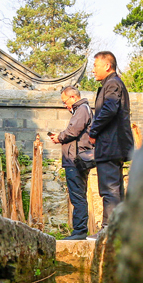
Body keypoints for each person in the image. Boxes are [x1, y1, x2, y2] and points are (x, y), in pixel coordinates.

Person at [88, 51, 135, 226]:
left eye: (95, 65)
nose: (93, 70)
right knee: (113, 189)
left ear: (107, 66)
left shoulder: (113, 84)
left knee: (109, 189)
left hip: (111, 144)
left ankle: (110, 230)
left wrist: (93, 131)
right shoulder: (112, 84)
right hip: (112, 144)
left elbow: (109, 109)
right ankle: (112, 228)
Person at [51, 86, 94, 239]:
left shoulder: (82, 109)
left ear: (73, 97)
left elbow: (73, 131)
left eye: (65, 102)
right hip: (76, 158)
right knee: (78, 196)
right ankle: (79, 230)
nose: (65, 105)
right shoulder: (81, 109)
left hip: (76, 160)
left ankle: (79, 231)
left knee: (78, 197)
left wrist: (59, 137)